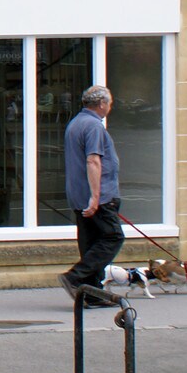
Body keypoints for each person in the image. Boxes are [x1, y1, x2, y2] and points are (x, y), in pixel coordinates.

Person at [58, 85, 122, 304]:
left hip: (78, 195)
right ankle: (75, 277)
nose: (109, 107)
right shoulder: (94, 126)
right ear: (101, 104)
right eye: (109, 103)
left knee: (91, 243)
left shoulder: (75, 123)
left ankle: (93, 294)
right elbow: (93, 160)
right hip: (99, 197)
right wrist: (95, 198)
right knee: (113, 237)